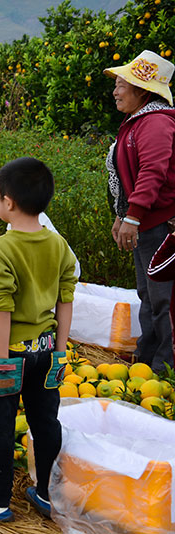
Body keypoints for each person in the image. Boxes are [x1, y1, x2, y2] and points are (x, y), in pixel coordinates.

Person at [0, 157, 77, 521]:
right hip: (45, 352)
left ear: (7, 201)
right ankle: (45, 493)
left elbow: (0, 308)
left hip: (9, 354)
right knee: (45, 423)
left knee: (0, 426)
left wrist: (3, 357)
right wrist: (59, 350)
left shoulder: (0, 249)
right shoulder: (58, 245)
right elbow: (65, 299)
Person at [104, 50, 175, 373]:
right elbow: (127, 178)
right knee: (148, 294)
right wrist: (123, 215)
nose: (116, 91)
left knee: (164, 298)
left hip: (162, 225)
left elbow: (152, 172)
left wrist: (134, 216)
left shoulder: (156, 123)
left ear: (142, 91)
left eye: (121, 84)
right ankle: (148, 360)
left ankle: (165, 368)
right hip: (147, 224)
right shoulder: (136, 123)